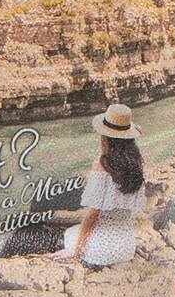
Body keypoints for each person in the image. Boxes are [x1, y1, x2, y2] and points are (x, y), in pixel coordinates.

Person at [59, 103, 147, 267]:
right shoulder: (138, 163)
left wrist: (76, 250)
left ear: (105, 138)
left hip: (102, 249)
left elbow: (93, 215)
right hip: (126, 247)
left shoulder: (102, 166)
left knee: (67, 234)